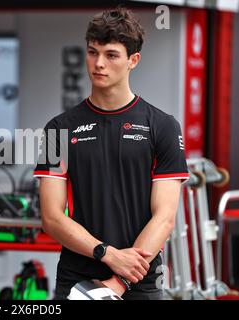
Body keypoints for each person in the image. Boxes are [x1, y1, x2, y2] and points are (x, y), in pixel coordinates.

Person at [34, 7, 189, 300]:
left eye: (111, 55)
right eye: (92, 52)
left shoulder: (163, 126)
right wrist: (105, 253)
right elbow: (51, 217)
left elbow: (164, 217)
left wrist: (118, 282)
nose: (98, 63)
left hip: (139, 283)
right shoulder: (58, 128)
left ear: (133, 60)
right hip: (77, 280)